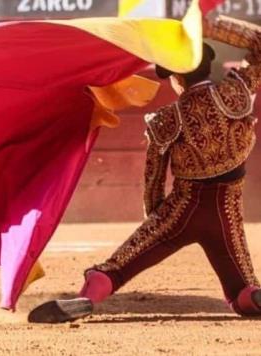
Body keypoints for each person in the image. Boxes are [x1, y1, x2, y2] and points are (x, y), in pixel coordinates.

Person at [28, 15, 261, 323]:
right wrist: (211, 26)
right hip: (226, 213)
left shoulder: (166, 119)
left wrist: (157, 221)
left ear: (177, 78)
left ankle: (88, 296)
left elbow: (152, 182)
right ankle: (253, 299)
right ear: (207, 67)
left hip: (180, 210)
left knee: (116, 269)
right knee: (244, 292)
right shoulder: (237, 93)